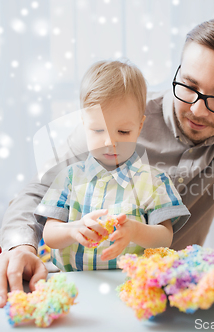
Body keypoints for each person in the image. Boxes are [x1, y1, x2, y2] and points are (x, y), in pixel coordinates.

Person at [0, 17, 214, 308]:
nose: (197, 110)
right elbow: (38, 191)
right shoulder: (117, 114)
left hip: (171, 297)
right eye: (189, 86)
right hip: (86, 287)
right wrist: (20, 247)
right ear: (178, 71)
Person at [38, 60, 190, 271]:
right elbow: (50, 235)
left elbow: (165, 238)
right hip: (74, 286)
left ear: (139, 126)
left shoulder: (153, 181)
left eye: (123, 132)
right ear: (84, 123)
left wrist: (135, 232)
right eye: (98, 131)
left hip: (130, 285)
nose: (110, 142)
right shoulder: (69, 178)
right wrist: (73, 230)